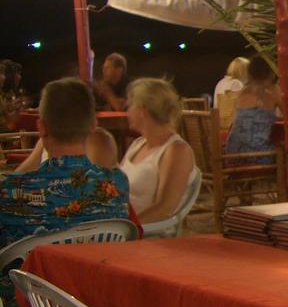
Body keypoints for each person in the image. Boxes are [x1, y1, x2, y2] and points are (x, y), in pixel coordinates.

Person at [0, 78, 131, 242]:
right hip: (95, 266)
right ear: (93, 126)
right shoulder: (117, 182)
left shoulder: (9, 191)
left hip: (28, 268)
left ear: (41, 128)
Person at [119, 79, 197, 224]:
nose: (127, 111)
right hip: (119, 226)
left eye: (130, 106)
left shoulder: (176, 150)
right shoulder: (138, 144)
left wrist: (125, 228)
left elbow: (164, 208)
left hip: (146, 235)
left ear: (143, 111)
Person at [224, 57, 280, 164]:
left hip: (232, 154)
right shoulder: (272, 92)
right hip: (256, 156)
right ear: (271, 72)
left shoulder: (242, 92)